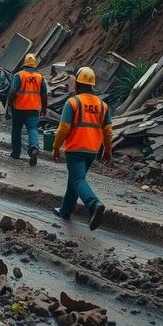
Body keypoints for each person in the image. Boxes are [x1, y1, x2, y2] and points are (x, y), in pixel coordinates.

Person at [51, 67, 114, 230]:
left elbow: (63, 128)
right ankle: (65, 211)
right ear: (92, 85)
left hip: (75, 149)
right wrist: (107, 151)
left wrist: (56, 147)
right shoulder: (103, 105)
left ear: (78, 84)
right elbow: (107, 131)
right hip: (92, 150)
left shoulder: (73, 102)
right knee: (75, 179)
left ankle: (94, 204)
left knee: (78, 179)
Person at [7, 54, 47, 165]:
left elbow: (13, 91)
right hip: (34, 109)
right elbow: (44, 94)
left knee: (16, 130)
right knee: (32, 129)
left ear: (24, 63)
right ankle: (33, 148)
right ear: (34, 65)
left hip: (19, 108)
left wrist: (9, 104)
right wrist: (44, 107)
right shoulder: (40, 77)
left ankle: (16, 153)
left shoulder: (19, 75)